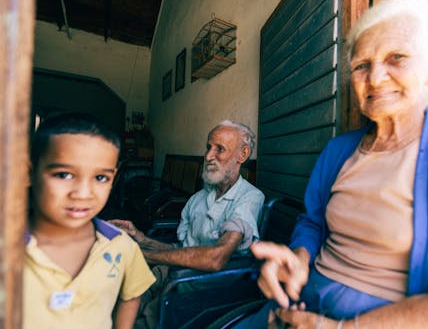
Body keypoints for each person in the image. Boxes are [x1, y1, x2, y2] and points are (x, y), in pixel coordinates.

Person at [235, 0, 428, 328]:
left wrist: (339, 328)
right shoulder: (338, 151)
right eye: (362, 65)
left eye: (396, 58)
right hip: (297, 307)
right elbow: (312, 223)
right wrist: (299, 259)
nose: (375, 79)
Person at [110, 120, 265, 328]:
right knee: (120, 291)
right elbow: (180, 250)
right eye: (208, 147)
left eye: (219, 149)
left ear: (242, 155)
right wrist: (142, 239)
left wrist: (145, 255)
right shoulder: (198, 199)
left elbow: (216, 258)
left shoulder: (250, 198)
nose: (209, 156)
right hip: (174, 271)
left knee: (142, 317)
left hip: (203, 285)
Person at [24, 113, 156, 329]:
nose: (83, 193)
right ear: (28, 172)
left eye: (100, 178)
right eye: (64, 174)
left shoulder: (121, 246)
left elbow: (132, 295)